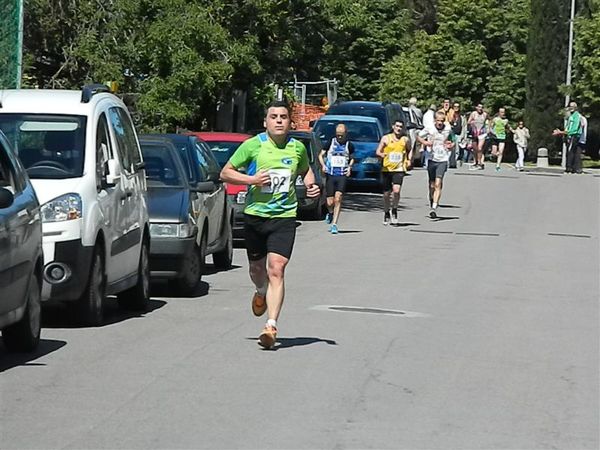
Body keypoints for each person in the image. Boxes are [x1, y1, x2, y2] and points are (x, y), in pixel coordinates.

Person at [220, 100, 320, 349]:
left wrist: (310, 185)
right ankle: (261, 291)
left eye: (283, 116)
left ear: (290, 122)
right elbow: (226, 172)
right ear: (265, 122)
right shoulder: (253, 145)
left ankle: (271, 325)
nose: (278, 120)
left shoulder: (297, 148)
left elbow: (305, 170)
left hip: (284, 217)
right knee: (257, 269)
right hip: (255, 215)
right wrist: (251, 179)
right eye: (273, 116)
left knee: (277, 268)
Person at [417, 111, 454, 218]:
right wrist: (425, 143)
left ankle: (434, 207)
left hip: (443, 159)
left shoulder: (448, 129)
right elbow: (418, 136)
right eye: (438, 120)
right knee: (432, 185)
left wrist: (451, 145)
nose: (440, 123)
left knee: (438, 183)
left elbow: (452, 140)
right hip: (431, 158)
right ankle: (432, 199)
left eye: (442, 121)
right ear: (435, 120)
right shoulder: (429, 128)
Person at [318, 123, 354, 234]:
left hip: (341, 175)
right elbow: (320, 155)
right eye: (338, 135)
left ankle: (334, 224)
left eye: (341, 135)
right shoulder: (330, 142)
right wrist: (323, 165)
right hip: (331, 174)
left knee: (338, 198)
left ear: (345, 134)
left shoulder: (349, 145)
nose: (339, 137)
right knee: (329, 202)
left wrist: (349, 168)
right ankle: (330, 212)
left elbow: (352, 158)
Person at [376, 120, 411, 225]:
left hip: (399, 169)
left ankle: (394, 210)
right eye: (397, 126)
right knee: (386, 194)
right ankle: (386, 212)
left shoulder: (405, 140)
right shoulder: (386, 138)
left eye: (401, 126)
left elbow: (409, 150)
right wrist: (381, 155)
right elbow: (378, 151)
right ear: (393, 126)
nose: (399, 128)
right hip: (387, 169)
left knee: (396, 190)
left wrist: (409, 160)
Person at [553, 102, 583, 174]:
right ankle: (573, 168)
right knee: (572, 152)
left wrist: (561, 132)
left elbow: (574, 129)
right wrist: (561, 132)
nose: (571, 108)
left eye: (573, 106)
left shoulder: (577, 116)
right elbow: (568, 127)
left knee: (570, 151)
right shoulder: (571, 116)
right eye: (570, 106)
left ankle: (569, 169)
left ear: (576, 108)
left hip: (574, 136)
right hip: (570, 135)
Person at [467, 103, 488, 170]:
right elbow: (468, 122)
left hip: (482, 132)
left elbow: (489, 121)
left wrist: (488, 129)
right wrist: (472, 123)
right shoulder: (473, 114)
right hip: (474, 132)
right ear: (476, 108)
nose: (480, 108)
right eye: (479, 107)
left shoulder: (485, 114)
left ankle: (479, 162)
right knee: (475, 149)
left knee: (479, 148)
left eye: (481, 107)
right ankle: (475, 161)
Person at [489, 107, 510, 172]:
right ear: (499, 113)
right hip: (495, 137)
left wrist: (513, 131)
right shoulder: (495, 119)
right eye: (501, 112)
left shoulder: (506, 120)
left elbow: (508, 127)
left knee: (501, 152)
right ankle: (492, 155)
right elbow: (490, 127)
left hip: (502, 137)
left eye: (503, 112)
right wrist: (493, 132)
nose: (502, 113)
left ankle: (498, 166)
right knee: (494, 153)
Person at [421, 103, 437, 167]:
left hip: (425, 131)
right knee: (430, 148)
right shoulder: (431, 115)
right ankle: (428, 162)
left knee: (427, 148)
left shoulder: (425, 114)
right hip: (431, 132)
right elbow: (432, 125)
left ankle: (426, 162)